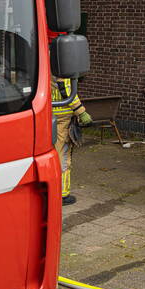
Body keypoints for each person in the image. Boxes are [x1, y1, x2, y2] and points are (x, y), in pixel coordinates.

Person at [51, 76, 91, 205]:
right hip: (63, 118)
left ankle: (51, 191)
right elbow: (67, 91)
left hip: (50, 114)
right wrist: (81, 112)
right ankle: (62, 194)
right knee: (63, 156)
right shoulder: (61, 67)